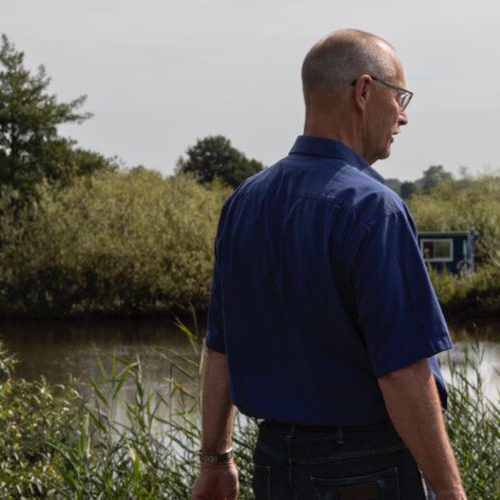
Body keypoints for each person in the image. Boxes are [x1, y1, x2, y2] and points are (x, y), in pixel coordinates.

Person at [191, 29, 466, 500]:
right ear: (363, 91)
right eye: (399, 96)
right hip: (366, 469)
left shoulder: (243, 202)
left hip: (274, 461)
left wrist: (216, 460)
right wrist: (451, 493)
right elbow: (402, 372)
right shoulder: (373, 208)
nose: (402, 116)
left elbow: (221, 349)